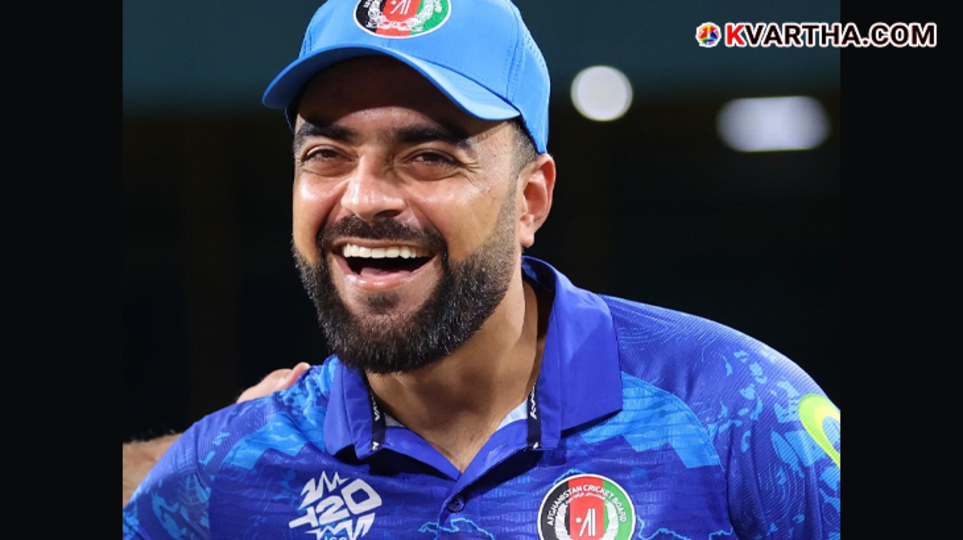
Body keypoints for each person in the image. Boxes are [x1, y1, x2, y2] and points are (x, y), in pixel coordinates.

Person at [122, 1, 840, 538]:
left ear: (530, 200)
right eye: (326, 155)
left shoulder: (737, 413)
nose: (363, 198)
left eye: (429, 157)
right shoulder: (232, 472)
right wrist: (211, 457)